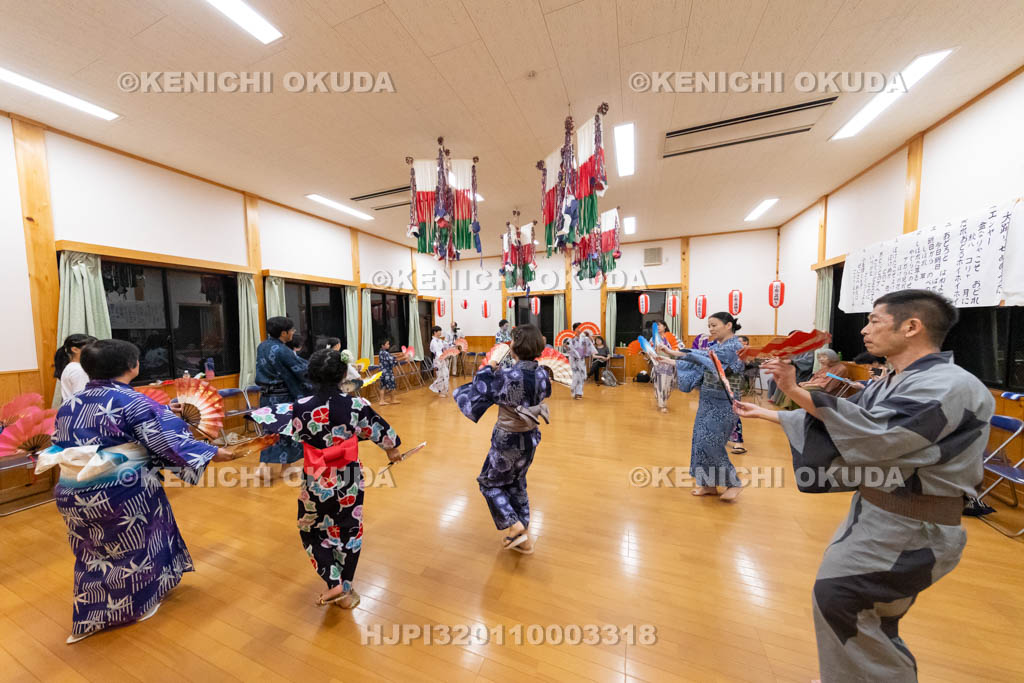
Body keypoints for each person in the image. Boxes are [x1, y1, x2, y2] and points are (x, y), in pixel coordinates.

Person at [734, 289, 994, 683]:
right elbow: (857, 418)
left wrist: (794, 392)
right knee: (863, 613)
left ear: (911, 326)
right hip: (881, 514)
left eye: (874, 320)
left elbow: (876, 435)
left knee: (846, 602)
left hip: (912, 522)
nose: (864, 329)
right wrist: (773, 411)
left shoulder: (948, 385)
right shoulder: (899, 378)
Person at [35, 339, 243, 643]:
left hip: (72, 489)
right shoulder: (135, 402)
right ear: (133, 366)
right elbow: (165, 443)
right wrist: (212, 452)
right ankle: (133, 606)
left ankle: (94, 611)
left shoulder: (70, 404)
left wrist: (162, 412)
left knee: (91, 551)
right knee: (135, 546)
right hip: (121, 489)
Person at [252, 349, 405, 609]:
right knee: (349, 530)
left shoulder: (297, 408)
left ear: (311, 375)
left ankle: (332, 580)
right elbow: (385, 437)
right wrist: (393, 451)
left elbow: (271, 420)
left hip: (316, 478)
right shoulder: (356, 406)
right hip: (349, 479)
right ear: (344, 374)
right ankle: (345, 588)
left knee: (310, 528)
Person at [454, 324, 551, 555]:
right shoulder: (542, 373)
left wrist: (491, 365)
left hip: (507, 439)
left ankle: (515, 527)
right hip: (528, 439)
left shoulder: (509, 375)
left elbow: (482, 386)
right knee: (517, 483)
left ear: (517, 346)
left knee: (488, 482)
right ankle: (523, 538)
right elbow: (541, 394)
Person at [659, 312, 746, 501]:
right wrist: (671, 360)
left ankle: (733, 483)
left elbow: (706, 358)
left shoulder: (735, 346)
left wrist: (678, 353)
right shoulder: (716, 346)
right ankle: (708, 485)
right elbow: (701, 364)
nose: (711, 329)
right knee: (700, 442)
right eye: (709, 325)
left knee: (711, 443)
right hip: (707, 400)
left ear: (728, 325)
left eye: (714, 325)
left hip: (724, 402)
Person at [255, 317, 308, 479]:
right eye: (291, 330)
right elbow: (301, 369)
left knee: (270, 432)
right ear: (283, 333)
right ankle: (285, 468)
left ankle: (263, 466)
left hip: (265, 397)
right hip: (283, 398)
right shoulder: (282, 350)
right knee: (288, 432)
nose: (293, 333)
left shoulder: (262, 346)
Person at [54, 333, 97, 402]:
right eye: (91, 348)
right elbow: (83, 398)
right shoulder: (78, 370)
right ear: (75, 349)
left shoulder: (74, 367)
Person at [728, 335, 752, 454]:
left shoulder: (744, 353)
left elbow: (739, 366)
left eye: (740, 342)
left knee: (734, 412)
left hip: (734, 385)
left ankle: (739, 442)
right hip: (721, 385)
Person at [566, 323, 597, 399]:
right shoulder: (570, 338)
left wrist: (589, 336)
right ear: (574, 329)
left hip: (581, 359)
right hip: (573, 359)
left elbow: (592, 343)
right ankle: (575, 392)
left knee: (582, 375)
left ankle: (579, 392)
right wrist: (566, 346)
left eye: (581, 328)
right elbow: (567, 347)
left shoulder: (584, 338)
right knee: (575, 375)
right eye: (578, 328)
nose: (580, 329)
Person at [429, 325, 452, 397]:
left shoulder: (440, 340)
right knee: (440, 376)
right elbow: (437, 351)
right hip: (437, 360)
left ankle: (444, 390)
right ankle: (440, 391)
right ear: (435, 332)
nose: (441, 332)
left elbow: (447, 345)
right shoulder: (433, 342)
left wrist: (454, 345)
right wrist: (442, 356)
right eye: (439, 331)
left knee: (446, 374)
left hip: (443, 359)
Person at [377, 338, 400, 405]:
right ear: (382, 345)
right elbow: (393, 360)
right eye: (387, 344)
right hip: (387, 372)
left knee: (382, 386)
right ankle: (392, 399)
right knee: (392, 386)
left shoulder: (381, 352)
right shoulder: (385, 353)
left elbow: (393, 357)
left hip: (381, 372)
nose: (389, 345)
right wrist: (404, 358)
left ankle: (381, 401)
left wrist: (402, 356)